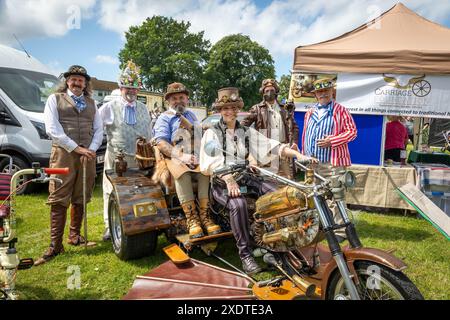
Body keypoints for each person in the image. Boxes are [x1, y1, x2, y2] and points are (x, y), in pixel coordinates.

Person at [200, 87, 317, 275]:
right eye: (225, 109)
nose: (229, 112)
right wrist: (229, 179)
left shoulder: (247, 131)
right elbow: (210, 163)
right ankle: (245, 254)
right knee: (238, 204)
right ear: (219, 111)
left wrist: (298, 155)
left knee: (276, 195)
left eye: (232, 108)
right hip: (222, 183)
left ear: (237, 109)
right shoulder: (211, 134)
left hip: (246, 177)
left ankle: (278, 241)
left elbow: (274, 146)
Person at [35, 65, 103, 266]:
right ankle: (55, 245)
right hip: (64, 154)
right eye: (73, 79)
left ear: (85, 83)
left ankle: (74, 236)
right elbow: (52, 129)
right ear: (66, 81)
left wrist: (90, 149)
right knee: (59, 196)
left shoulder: (92, 103)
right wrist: (77, 148)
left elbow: (98, 129)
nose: (76, 82)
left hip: (87, 155)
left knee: (82, 194)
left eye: (80, 80)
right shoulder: (54, 99)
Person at [153, 82, 221, 239]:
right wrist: (180, 155)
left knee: (205, 172)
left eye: (181, 97)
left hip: (194, 155)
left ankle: (205, 217)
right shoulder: (164, 118)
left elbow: (199, 135)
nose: (178, 101)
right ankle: (192, 220)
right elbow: (161, 143)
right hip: (174, 156)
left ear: (187, 98)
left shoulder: (191, 115)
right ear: (168, 101)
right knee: (182, 174)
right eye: (174, 98)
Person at [99, 61, 152, 241]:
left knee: (138, 190)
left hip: (140, 158)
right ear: (120, 87)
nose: (131, 91)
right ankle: (109, 225)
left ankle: (137, 222)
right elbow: (97, 128)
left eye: (134, 88)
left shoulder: (144, 107)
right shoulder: (109, 107)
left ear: (138, 90)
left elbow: (150, 132)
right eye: (127, 88)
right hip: (116, 157)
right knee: (111, 190)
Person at [301, 78, 357, 241]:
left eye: (326, 91)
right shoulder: (310, 112)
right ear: (316, 95)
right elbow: (306, 135)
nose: (323, 94)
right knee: (315, 195)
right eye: (319, 92)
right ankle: (323, 225)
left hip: (332, 162)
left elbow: (352, 132)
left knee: (335, 195)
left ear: (332, 92)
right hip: (312, 163)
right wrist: (304, 155)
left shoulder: (341, 110)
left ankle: (341, 231)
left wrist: (332, 140)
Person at [241, 79, 299, 178]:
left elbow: (294, 127)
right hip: (266, 153)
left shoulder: (284, 108)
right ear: (262, 92)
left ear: (276, 91)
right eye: (266, 90)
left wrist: (293, 142)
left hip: (284, 151)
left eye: (272, 90)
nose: (269, 92)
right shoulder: (257, 109)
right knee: (268, 182)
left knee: (288, 182)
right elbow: (242, 127)